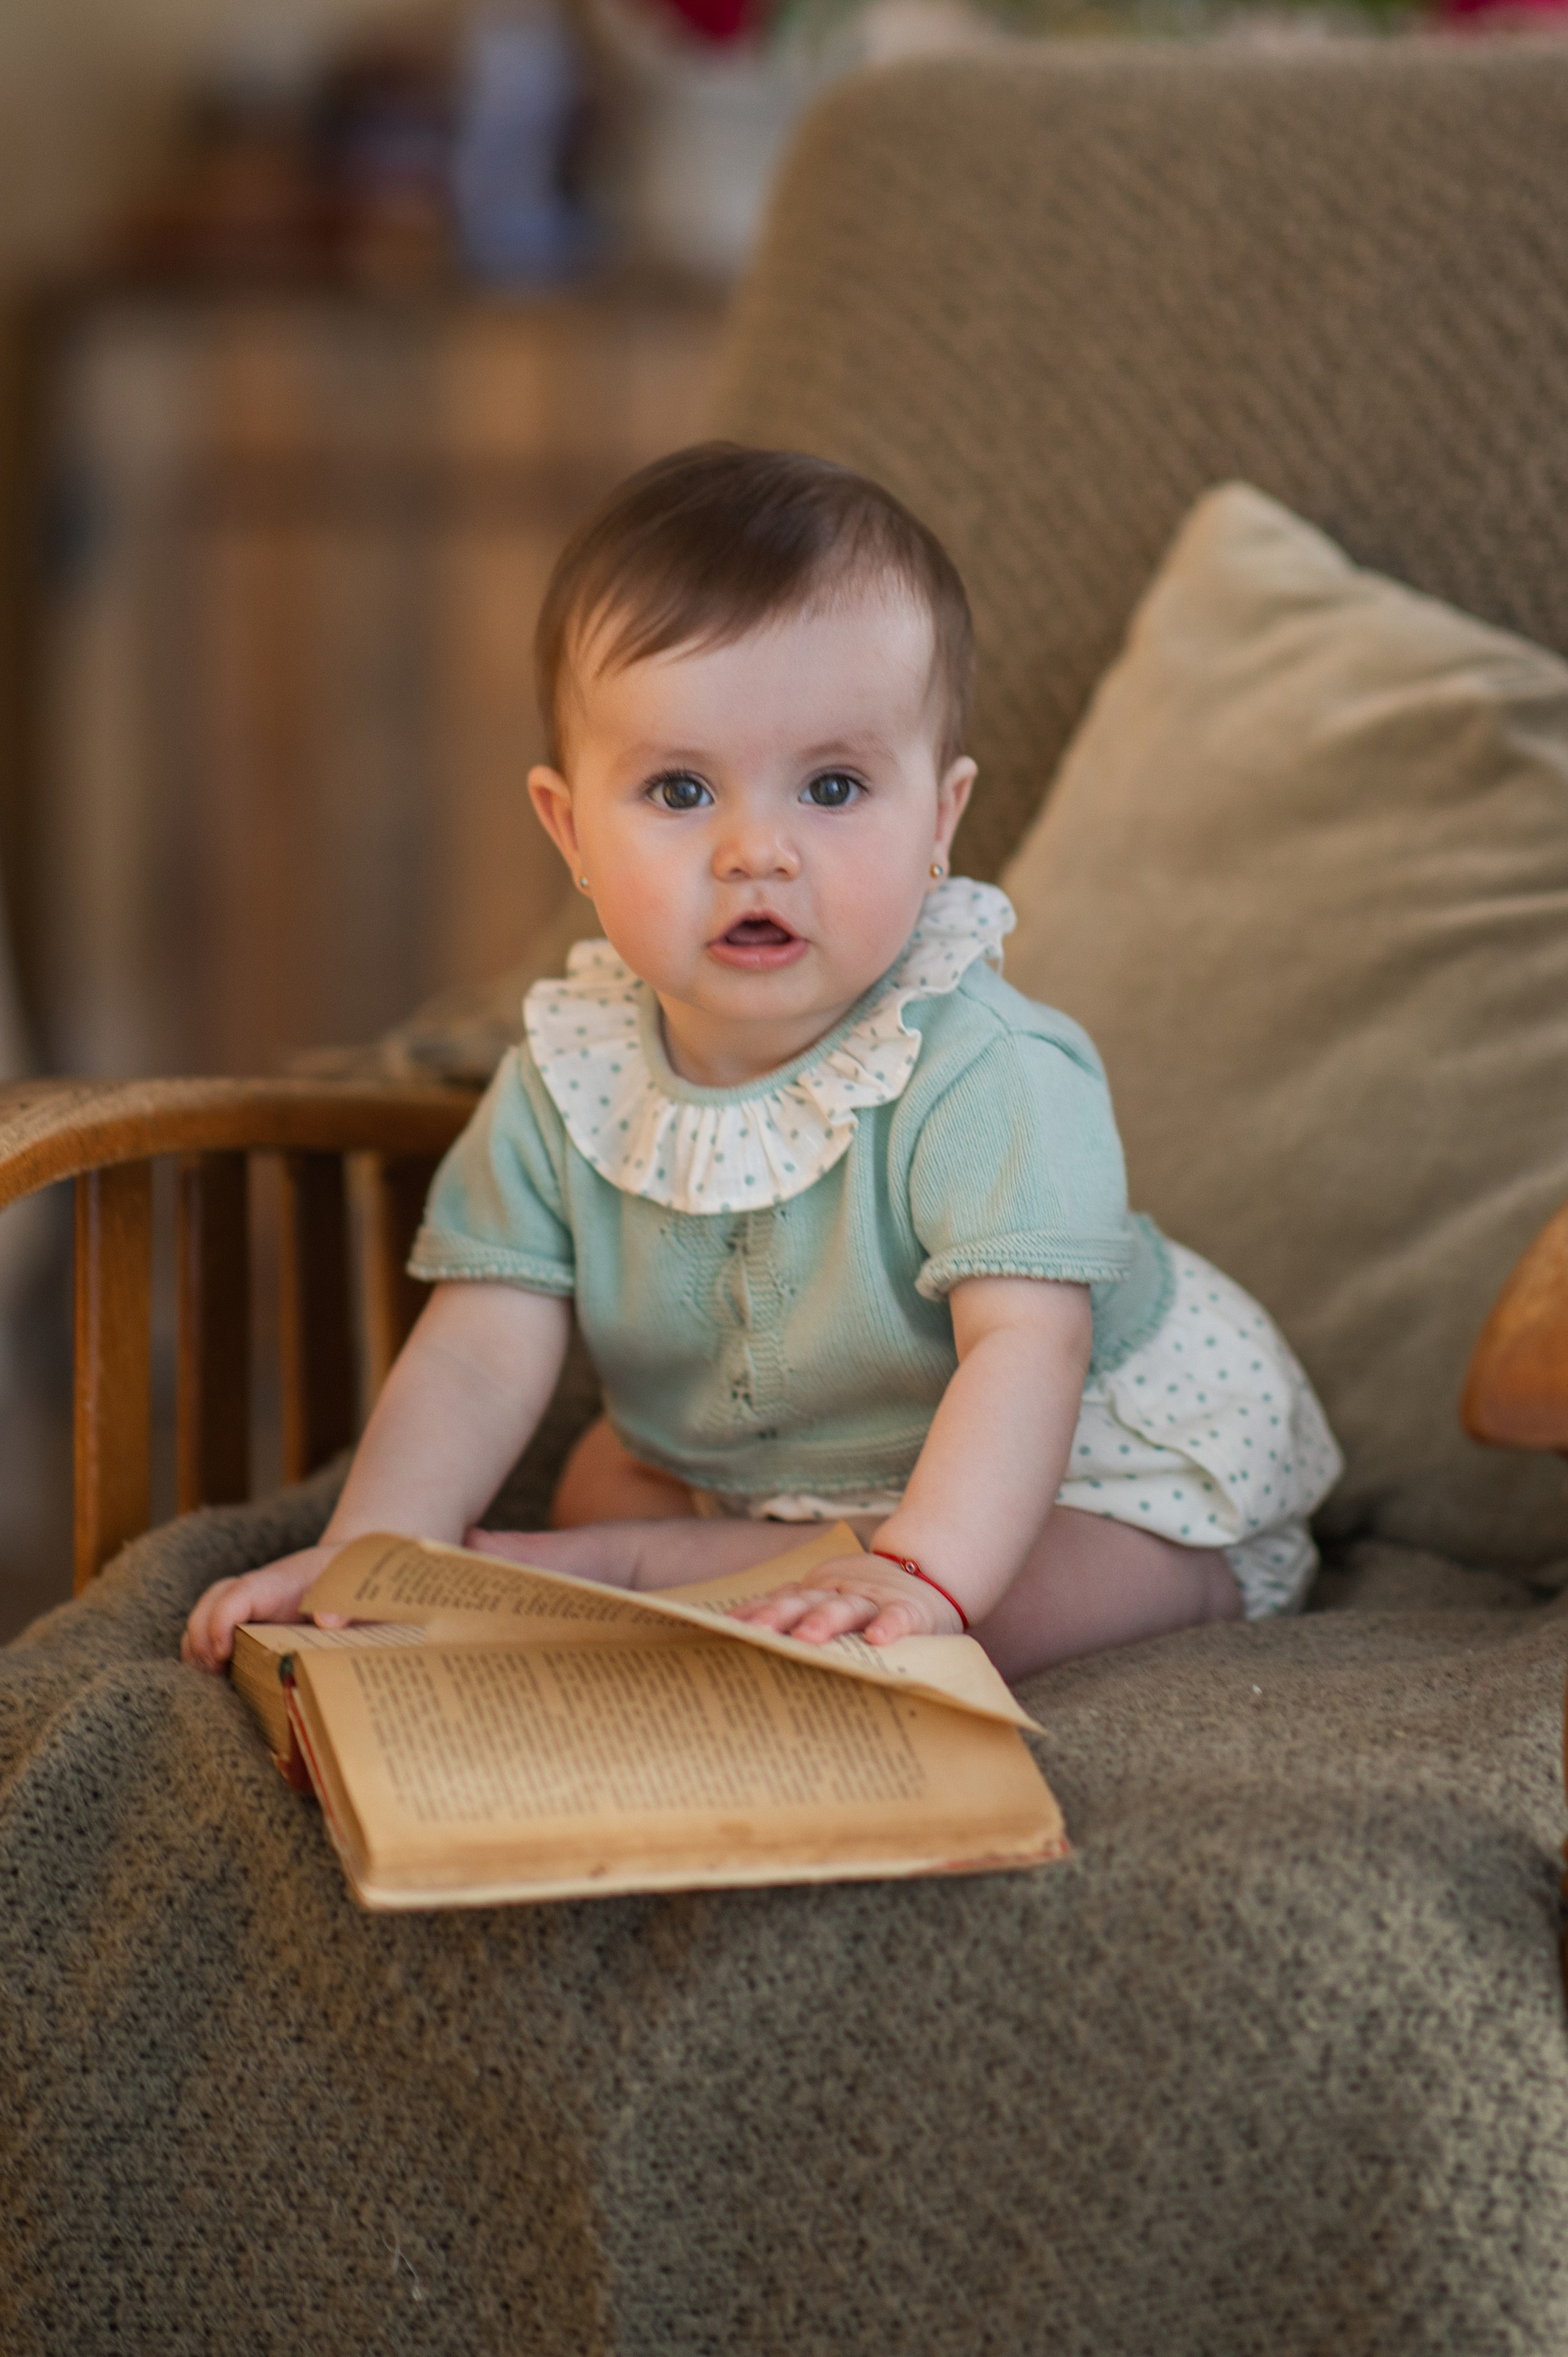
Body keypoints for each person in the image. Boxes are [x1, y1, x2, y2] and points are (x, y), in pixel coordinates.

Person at [183, 444, 1341, 1683]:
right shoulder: (568, 1077)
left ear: (939, 820)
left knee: (1001, 1599)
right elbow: (474, 1352)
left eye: (834, 786)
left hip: (1077, 1460)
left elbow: (1027, 1351)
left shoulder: (984, 1066)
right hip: (781, 1473)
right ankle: (627, 1559)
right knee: (594, 1476)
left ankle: (1191, 1582)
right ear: (569, 827)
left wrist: (920, 1573)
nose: (757, 851)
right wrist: (376, 1551)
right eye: (680, 788)